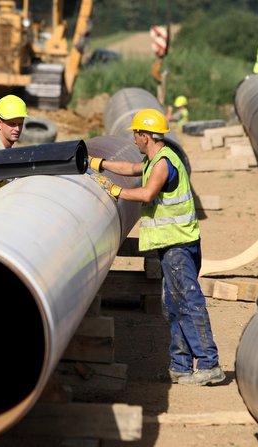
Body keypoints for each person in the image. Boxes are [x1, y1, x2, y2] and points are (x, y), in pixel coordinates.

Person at [89, 109, 224, 386]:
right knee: (172, 305)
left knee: (187, 301)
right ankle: (181, 365)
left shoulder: (162, 163)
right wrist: (98, 163)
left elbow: (147, 193)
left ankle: (209, 364)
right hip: (173, 245)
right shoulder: (154, 160)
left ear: (146, 135)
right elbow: (130, 169)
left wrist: (116, 192)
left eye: (137, 133)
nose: (135, 138)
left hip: (178, 245)